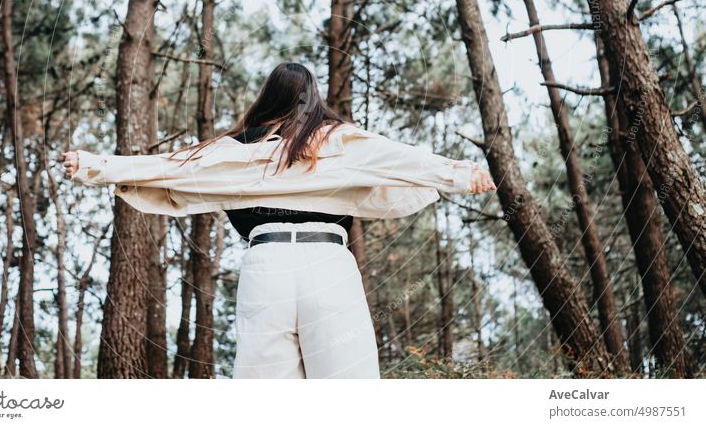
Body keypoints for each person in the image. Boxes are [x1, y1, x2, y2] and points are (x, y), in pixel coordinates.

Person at [61, 62, 496, 379]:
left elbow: (170, 167)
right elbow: (399, 158)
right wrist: (463, 174)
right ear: (314, 99)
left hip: (265, 266)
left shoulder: (232, 150)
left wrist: (95, 165)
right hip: (327, 262)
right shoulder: (338, 140)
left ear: (268, 97)